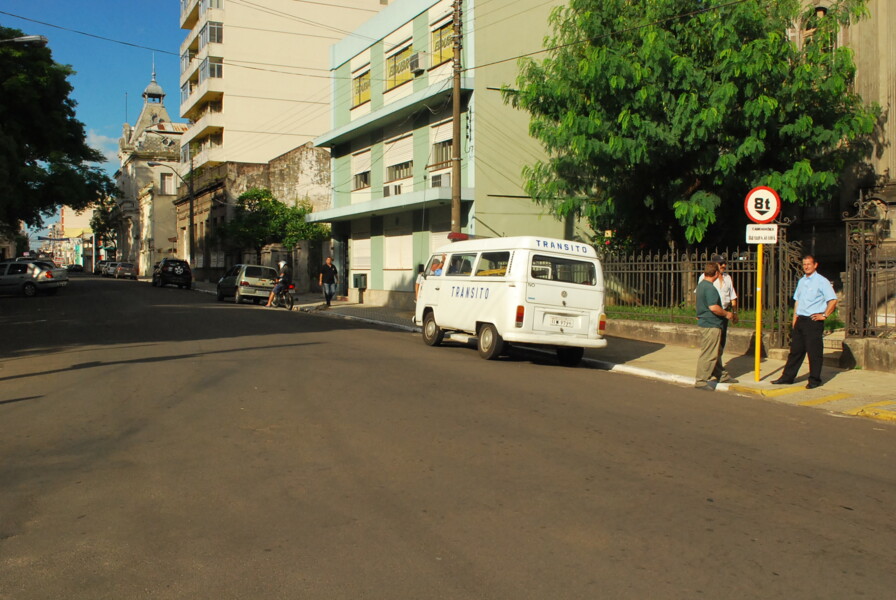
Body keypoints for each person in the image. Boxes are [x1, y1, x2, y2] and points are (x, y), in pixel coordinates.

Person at [772, 255, 838, 389]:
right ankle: (787, 377)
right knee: (795, 351)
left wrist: (824, 315)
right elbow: (798, 301)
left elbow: (833, 300)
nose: (806, 266)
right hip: (801, 320)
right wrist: (794, 318)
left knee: (814, 352)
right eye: (804, 264)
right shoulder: (802, 281)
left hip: (813, 320)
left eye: (809, 264)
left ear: (815, 265)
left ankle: (814, 380)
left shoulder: (822, 281)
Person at [694, 262, 736, 390]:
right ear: (716, 273)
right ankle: (701, 380)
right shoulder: (710, 288)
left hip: (706, 322)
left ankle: (720, 374)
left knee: (715, 351)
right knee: (709, 353)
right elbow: (714, 307)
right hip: (711, 324)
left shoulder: (701, 286)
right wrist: (726, 313)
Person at [697, 254, 738, 353]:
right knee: (712, 342)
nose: (724, 265)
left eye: (725, 263)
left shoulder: (727, 277)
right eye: (721, 263)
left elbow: (732, 296)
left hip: (724, 311)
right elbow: (700, 296)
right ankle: (713, 364)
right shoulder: (705, 277)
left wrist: (734, 313)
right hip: (712, 313)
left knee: (722, 339)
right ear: (715, 264)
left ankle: (718, 364)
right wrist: (698, 312)